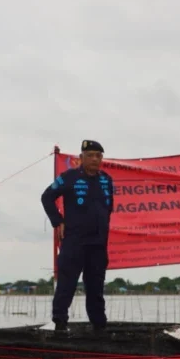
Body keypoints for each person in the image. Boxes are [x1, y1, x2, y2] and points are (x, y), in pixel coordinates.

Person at [41, 140, 114, 333]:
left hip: (98, 244)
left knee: (96, 288)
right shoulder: (69, 177)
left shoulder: (107, 179)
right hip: (75, 241)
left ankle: (99, 326)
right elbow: (46, 197)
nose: (94, 159)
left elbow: (108, 208)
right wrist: (58, 221)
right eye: (90, 155)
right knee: (67, 285)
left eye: (98, 156)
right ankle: (60, 324)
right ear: (81, 158)